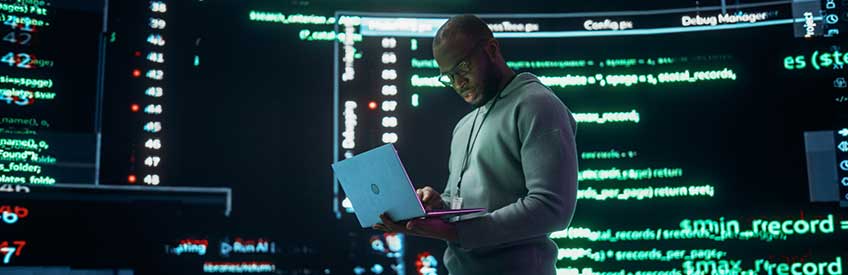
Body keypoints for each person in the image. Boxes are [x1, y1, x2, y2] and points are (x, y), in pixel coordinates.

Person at [373, 14, 578, 275]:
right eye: (448, 76)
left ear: (491, 50)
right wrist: (437, 206)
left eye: (462, 68)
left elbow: (552, 209)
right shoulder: (465, 125)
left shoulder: (538, 105)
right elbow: (463, 206)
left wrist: (454, 231)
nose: (458, 83)